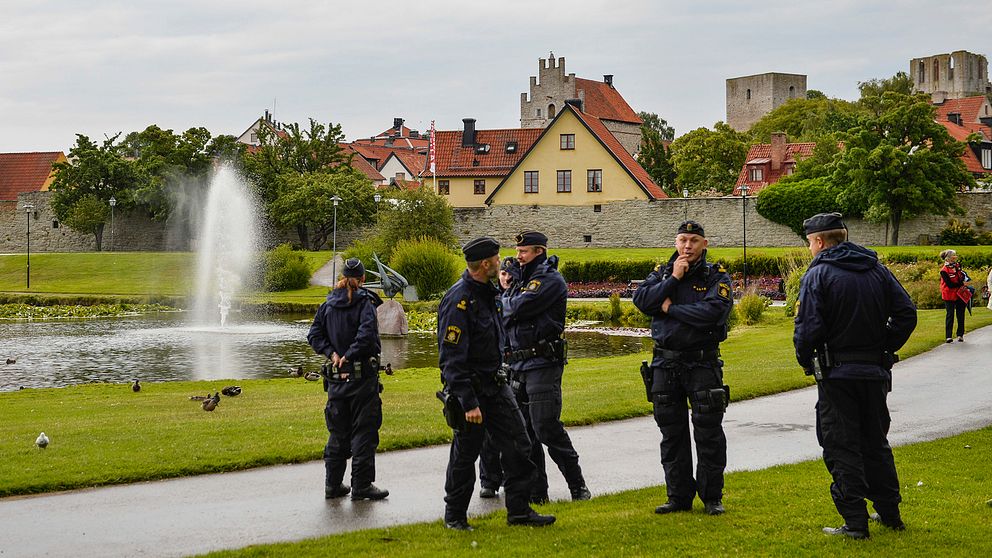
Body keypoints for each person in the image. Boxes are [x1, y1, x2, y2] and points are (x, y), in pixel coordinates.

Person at [794, 213, 917, 540]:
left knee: (841, 444)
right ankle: (890, 513)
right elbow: (906, 313)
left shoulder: (819, 274)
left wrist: (807, 361)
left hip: (837, 374)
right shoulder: (877, 270)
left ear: (819, 241)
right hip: (874, 371)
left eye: (809, 243)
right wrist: (885, 346)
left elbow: (808, 328)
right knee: (875, 441)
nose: (809, 248)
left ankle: (855, 522)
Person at [437, 236, 556, 531]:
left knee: (519, 445)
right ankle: (455, 516)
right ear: (486, 263)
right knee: (466, 455)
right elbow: (451, 358)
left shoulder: (488, 294)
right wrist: (467, 401)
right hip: (471, 390)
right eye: (497, 257)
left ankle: (519, 510)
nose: (502, 260)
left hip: (496, 385)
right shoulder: (459, 300)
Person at [632, 220, 733, 516]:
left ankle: (712, 497)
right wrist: (674, 279)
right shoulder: (663, 273)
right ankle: (678, 496)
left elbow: (713, 312)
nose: (687, 246)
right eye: (682, 240)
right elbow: (642, 300)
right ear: (676, 243)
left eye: (693, 240)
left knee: (708, 431)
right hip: (666, 362)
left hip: (702, 362)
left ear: (705, 243)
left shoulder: (716, 276)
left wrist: (670, 309)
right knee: (671, 432)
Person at [500, 231, 590, 504]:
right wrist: (507, 302)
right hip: (519, 364)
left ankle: (577, 486)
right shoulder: (521, 280)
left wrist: (506, 303)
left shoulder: (549, 279)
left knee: (546, 427)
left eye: (523, 251)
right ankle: (538, 492)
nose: (518, 256)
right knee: (525, 431)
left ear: (538, 251)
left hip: (543, 363)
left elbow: (516, 307)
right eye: (517, 251)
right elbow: (504, 308)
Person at [307, 258, 389, 501]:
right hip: (361, 377)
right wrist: (347, 355)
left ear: (341, 277)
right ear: (363, 278)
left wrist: (332, 354)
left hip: (335, 380)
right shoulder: (365, 303)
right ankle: (361, 485)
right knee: (364, 430)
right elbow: (366, 336)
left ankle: (333, 485)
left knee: (338, 431)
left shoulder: (328, 304)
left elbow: (314, 334)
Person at [477, 257, 521, 500]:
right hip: (496, 367)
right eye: (503, 274)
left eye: (510, 274)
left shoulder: (519, 300)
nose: (506, 278)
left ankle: (511, 478)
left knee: (515, 429)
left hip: (516, 366)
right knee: (488, 433)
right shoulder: (491, 299)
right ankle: (489, 480)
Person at [939, 249, 970, 342]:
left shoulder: (957, 267)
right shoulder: (943, 271)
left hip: (959, 294)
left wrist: (964, 279)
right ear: (948, 258)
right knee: (950, 314)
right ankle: (948, 336)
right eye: (953, 256)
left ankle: (960, 334)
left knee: (961, 314)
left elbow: (961, 279)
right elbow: (950, 284)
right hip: (949, 294)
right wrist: (960, 284)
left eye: (955, 256)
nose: (955, 258)